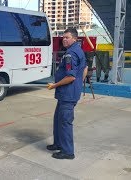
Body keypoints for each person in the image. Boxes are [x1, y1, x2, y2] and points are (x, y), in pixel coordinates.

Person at [47, 28, 87, 160]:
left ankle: (68, 152)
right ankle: (58, 143)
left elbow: (71, 77)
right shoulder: (78, 50)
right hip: (68, 93)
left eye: (67, 37)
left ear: (74, 39)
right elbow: (85, 68)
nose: (64, 39)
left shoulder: (70, 54)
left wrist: (54, 85)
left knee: (65, 122)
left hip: (67, 95)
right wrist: (79, 84)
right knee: (58, 119)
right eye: (63, 37)